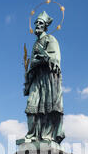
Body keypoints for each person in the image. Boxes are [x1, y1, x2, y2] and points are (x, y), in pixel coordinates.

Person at [21, 10, 65, 144]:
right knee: (32, 105)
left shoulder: (51, 39)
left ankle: (47, 135)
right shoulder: (35, 44)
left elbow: (55, 58)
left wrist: (42, 56)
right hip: (37, 77)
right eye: (36, 23)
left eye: (40, 23)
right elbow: (34, 61)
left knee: (47, 105)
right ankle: (32, 135)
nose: (37, 25)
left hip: (48, 77)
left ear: (46, 26)